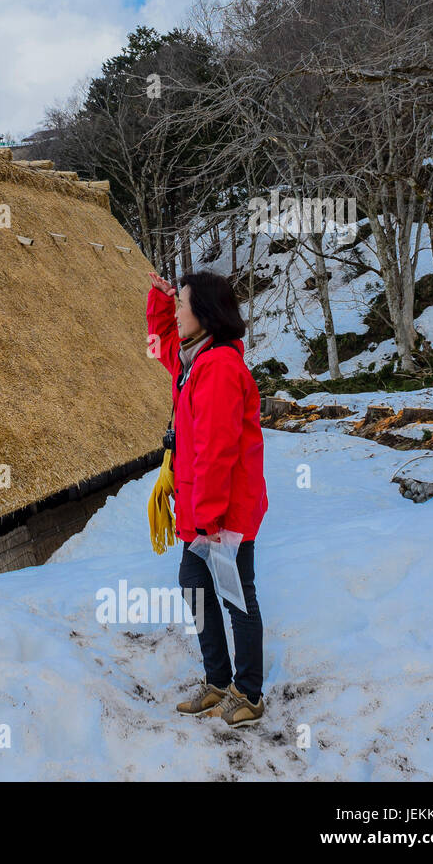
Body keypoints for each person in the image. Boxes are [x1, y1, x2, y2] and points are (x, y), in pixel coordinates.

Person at [146, 270, 269, 727]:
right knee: (195, 586)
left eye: (182, 305)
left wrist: (210, 520)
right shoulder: (192, 361)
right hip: (200, 512)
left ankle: (250, 693)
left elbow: (218, 450)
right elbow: (160, 339)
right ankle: (219, 682)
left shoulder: (218, 368)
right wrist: (162, 300)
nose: (177, 313)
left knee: (237, 596)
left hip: (222, 513)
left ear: (205, 314)